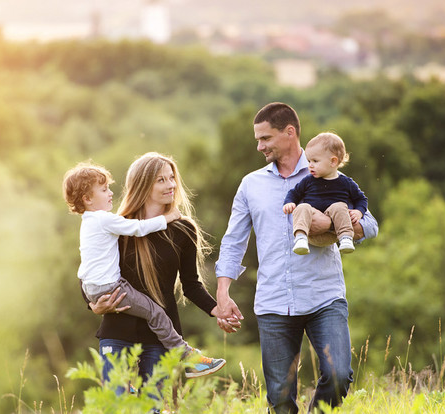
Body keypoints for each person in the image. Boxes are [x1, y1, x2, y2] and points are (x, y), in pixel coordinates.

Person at [214, 103, 379, 413]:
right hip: (274, 301)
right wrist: (223, 293)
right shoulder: (252, 184)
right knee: (279, 397)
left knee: (338, 375)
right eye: (257, 140)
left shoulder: (331, 175)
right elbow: (234, 241)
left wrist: (331, 224)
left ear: (289, 133)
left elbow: (371, 224)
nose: (259, 146)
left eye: (265, 139)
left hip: (324, 296)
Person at [62, 160, 224, 378]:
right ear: (144, 185)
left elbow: (191, 285)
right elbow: (89, 270)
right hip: (117, 333)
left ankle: (188, 357)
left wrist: (217, 309)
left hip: (159, 339)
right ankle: (188, 356)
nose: (171, 185)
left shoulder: (183, 230)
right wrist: (93, 305)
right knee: (118, 406)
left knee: (153, 408)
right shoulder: (119, 226)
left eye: (171, 178)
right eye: (161, 179)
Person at [282, 132, 368, 255]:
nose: (310, 166)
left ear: (333, 162)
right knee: (302, 207)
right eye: (308, 161)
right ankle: (300, 238)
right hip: (311, 231)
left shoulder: (346, 182)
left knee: (339, 206)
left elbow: (361, 199)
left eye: (315, 161)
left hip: (334, 234)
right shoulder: (308, 180)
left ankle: (346, 239)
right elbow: (294, 193)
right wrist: (289, 202)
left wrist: (359, 212)